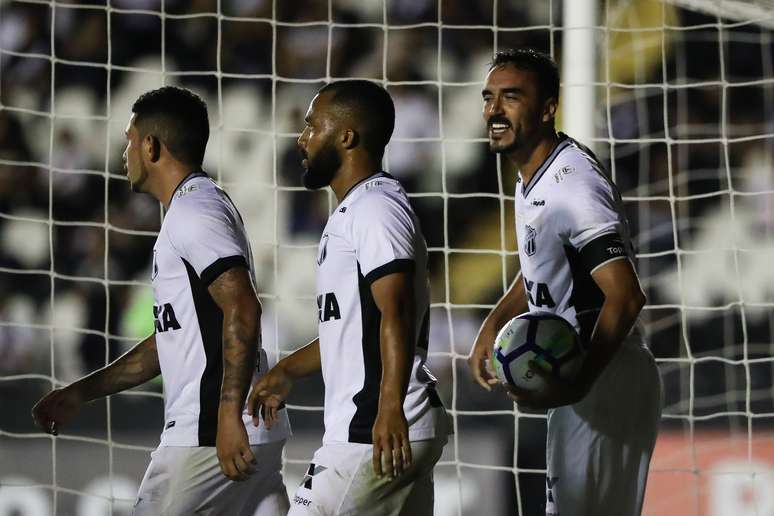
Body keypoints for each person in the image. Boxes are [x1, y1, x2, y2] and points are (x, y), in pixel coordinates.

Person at [31, 86, 291, 516]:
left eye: (129, 140)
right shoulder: (191, 209)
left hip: (210, 436)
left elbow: (242, 306)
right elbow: (169, 344)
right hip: (235, 431)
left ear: (151, 146)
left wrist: (225, 417)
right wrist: (82, 392)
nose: (125, 152)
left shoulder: (195, 212)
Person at [467, 49, 662, 516]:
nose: (494, 109)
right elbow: (545, 260)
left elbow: (626, 295)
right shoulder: (533, 173)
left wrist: (580, 386)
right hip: (580, 370)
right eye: (489, 97)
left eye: (511, 97)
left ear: (548, 107)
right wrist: (494, 321)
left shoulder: (573, 186)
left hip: (602, 371)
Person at [248, 80, 450, 516]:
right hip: (390, 423)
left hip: (373, 428)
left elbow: (395, 308)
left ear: (346, 136)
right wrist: (287, 369)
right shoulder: (356, 209)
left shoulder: (374, 208)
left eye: (311, 126)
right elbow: (358, 330)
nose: (301, 139)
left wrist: (389, 406)